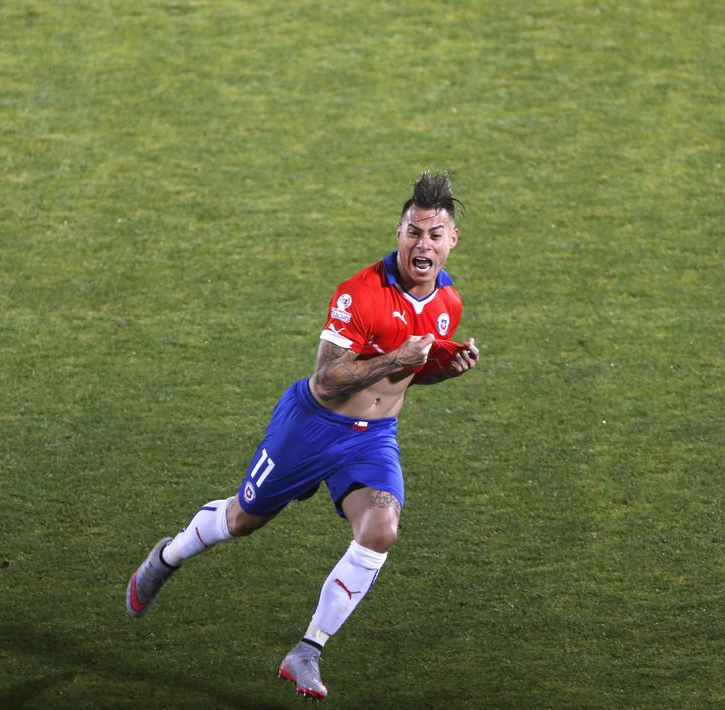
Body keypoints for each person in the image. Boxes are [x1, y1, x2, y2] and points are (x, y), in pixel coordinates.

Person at [126, 171, 480, 701]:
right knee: (243, 521)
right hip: (311, 427)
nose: (421, 244)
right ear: (398, 233)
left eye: (434, 234)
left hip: (373, 439)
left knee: (381, 529)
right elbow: (329, 378)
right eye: (413, 232)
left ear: (452, 241)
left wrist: (440, 371)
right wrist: (398, 357)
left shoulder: (448, 302)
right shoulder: (359, 294)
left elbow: (406, 375)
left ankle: (307, 650)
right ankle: (167, 557)